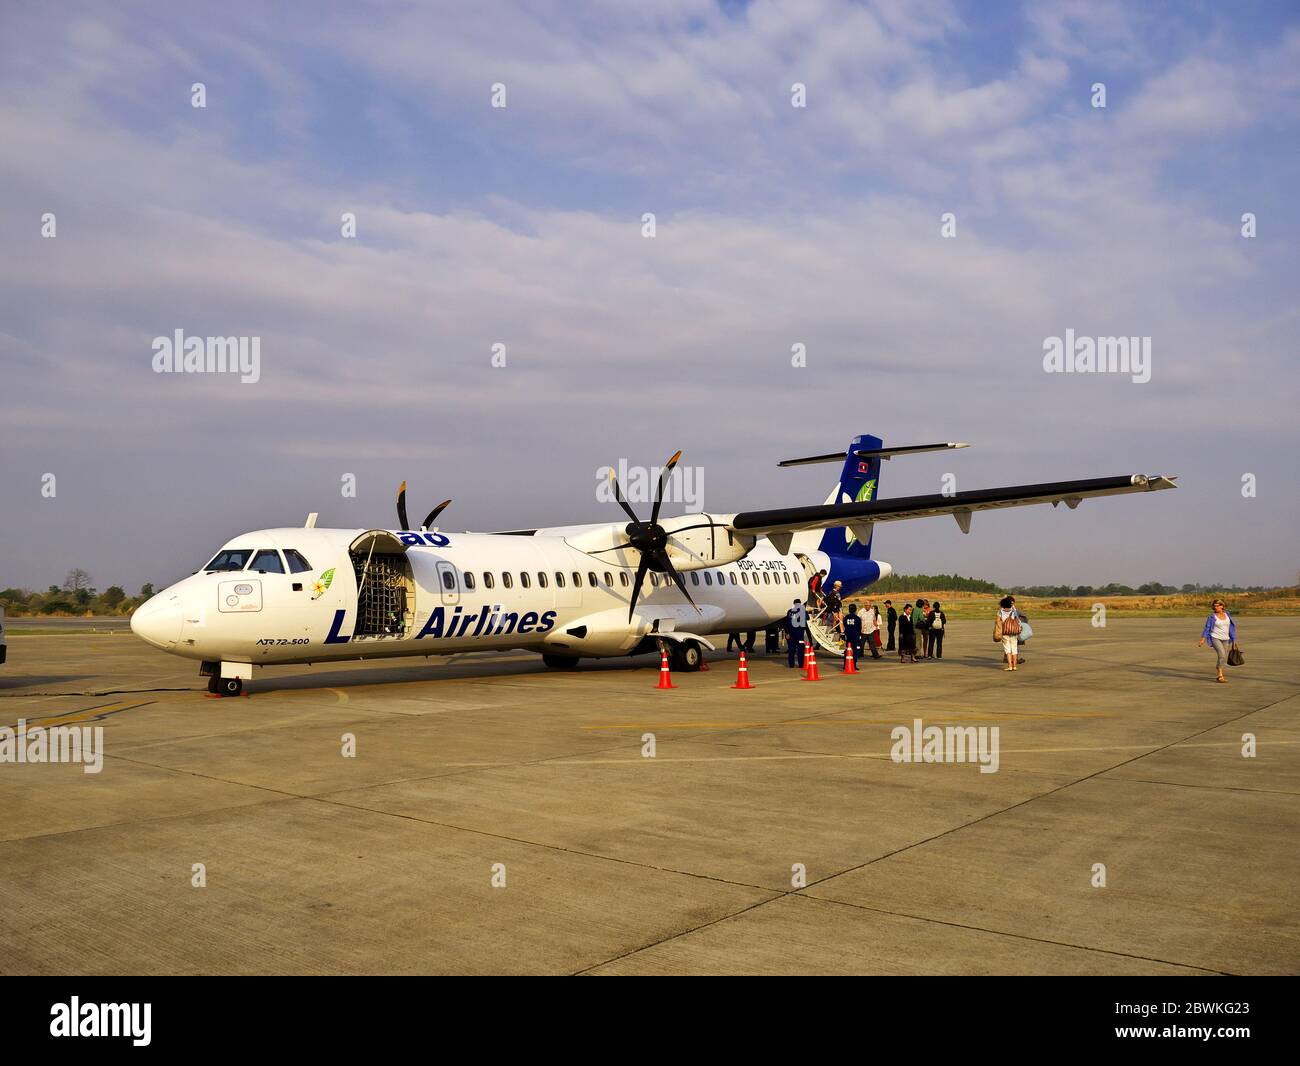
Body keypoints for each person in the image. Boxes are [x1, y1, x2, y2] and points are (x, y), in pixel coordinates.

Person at [1197, 598, 1237, 683]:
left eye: (1217, 606)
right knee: (1222, 654)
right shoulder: (1212, 617)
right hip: (1215, 637)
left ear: (1222, 606)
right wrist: (1203, 639)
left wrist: (1234, 640)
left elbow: (1231, 628)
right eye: (1214, 606)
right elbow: (1207, 628)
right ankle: (1220, 675)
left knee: (1222, 657)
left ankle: (1220, 671)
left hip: (1226, 639)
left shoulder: (1227, 615)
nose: (1215, 607)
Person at [996, 595, 1020, 671]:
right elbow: (1018, 619)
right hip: (1013, 632)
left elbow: (998, 621)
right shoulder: (1013, 610)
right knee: (1014, 649)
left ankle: (1010, 666)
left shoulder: (1000, 611)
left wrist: (1003, 599)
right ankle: (1015, 666)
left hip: (1005, 632)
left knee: (1008, 650)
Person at [785, 598, 807, 669]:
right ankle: (801, 664)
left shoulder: (790, 612)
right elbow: (807, 619)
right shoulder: (802, 611)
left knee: (791, 649)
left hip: (791, 634)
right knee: (800, 650)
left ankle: (791, 664)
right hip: (799, 634)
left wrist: (787, 633)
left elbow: (787, 623)